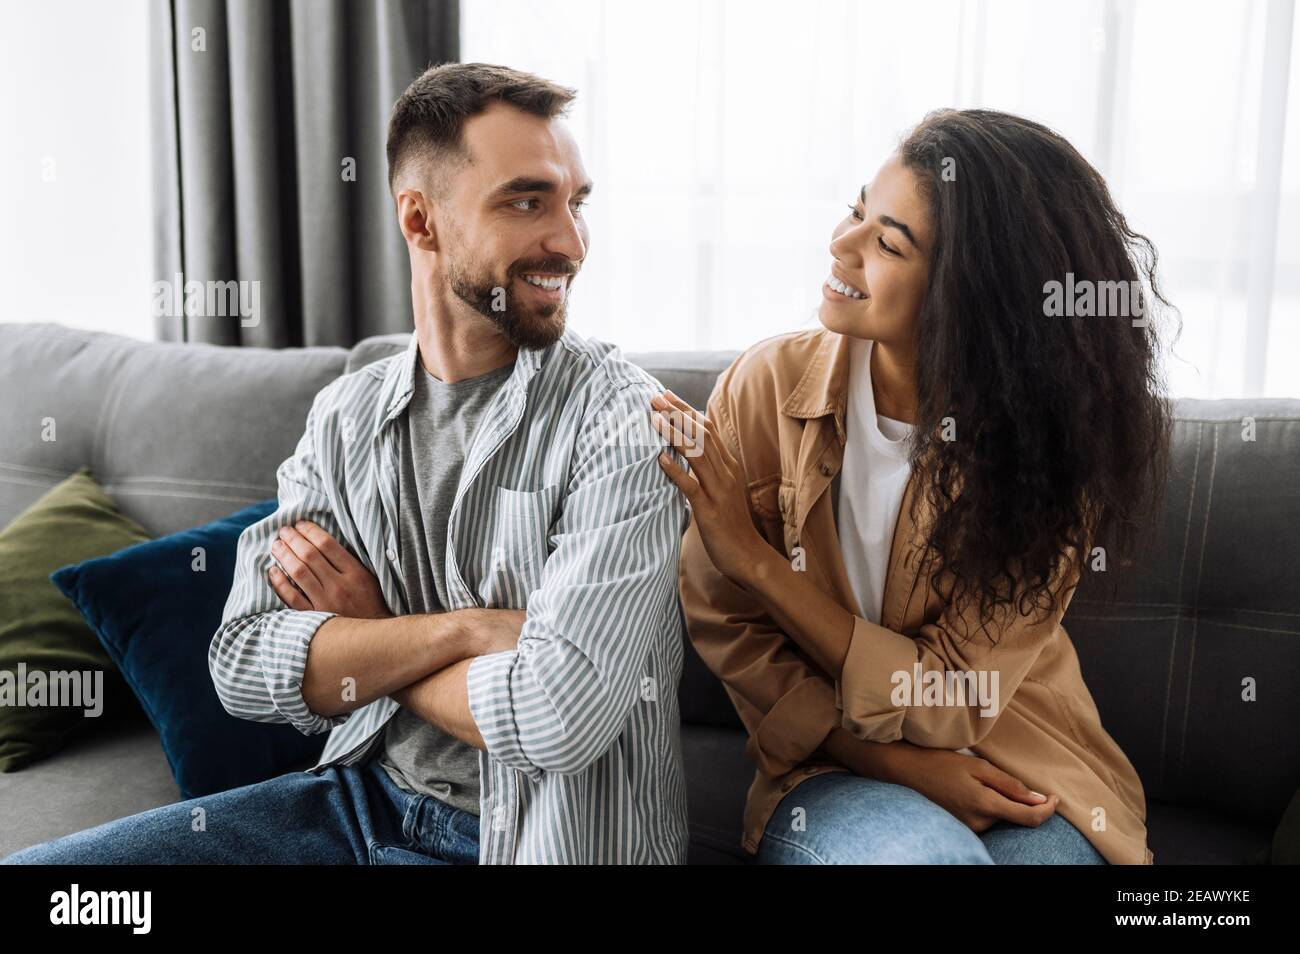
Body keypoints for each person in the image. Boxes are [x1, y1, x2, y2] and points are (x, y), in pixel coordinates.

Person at [4, 63, 688, 866]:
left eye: (576, 204)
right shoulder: (346, 415)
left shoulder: (624, 424)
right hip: (356, 805)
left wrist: (367, 643)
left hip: (525, 844)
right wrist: (461, 632)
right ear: (421, 221)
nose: (570, 242)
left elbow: (556, 716)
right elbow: (243, 661)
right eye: (527, 200)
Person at [657, 108, 1169, 865]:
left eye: (888, 242)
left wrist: (760, 564)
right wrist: (895, 764)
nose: (842, 244)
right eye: (859, 210)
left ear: (969, 297)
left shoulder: (1052, 450)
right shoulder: (764, 390)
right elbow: (731, 629)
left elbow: (955, 701)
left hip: (1019, 758)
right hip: (831, 766)